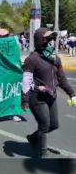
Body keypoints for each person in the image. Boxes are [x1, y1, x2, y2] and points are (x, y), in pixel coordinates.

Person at [21, 28, 76, 158]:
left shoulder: (55, 58)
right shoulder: (32, 59)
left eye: (50, 39)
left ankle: (33, 138)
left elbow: (62, 78)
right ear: (39, 40)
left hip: (51, 96)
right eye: (46, 39)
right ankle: (41, 153)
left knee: (54, 125)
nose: (48, 42)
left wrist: (72, 94)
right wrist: (24, 99)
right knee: (44, 125)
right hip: (37, 97)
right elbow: (26, 80)